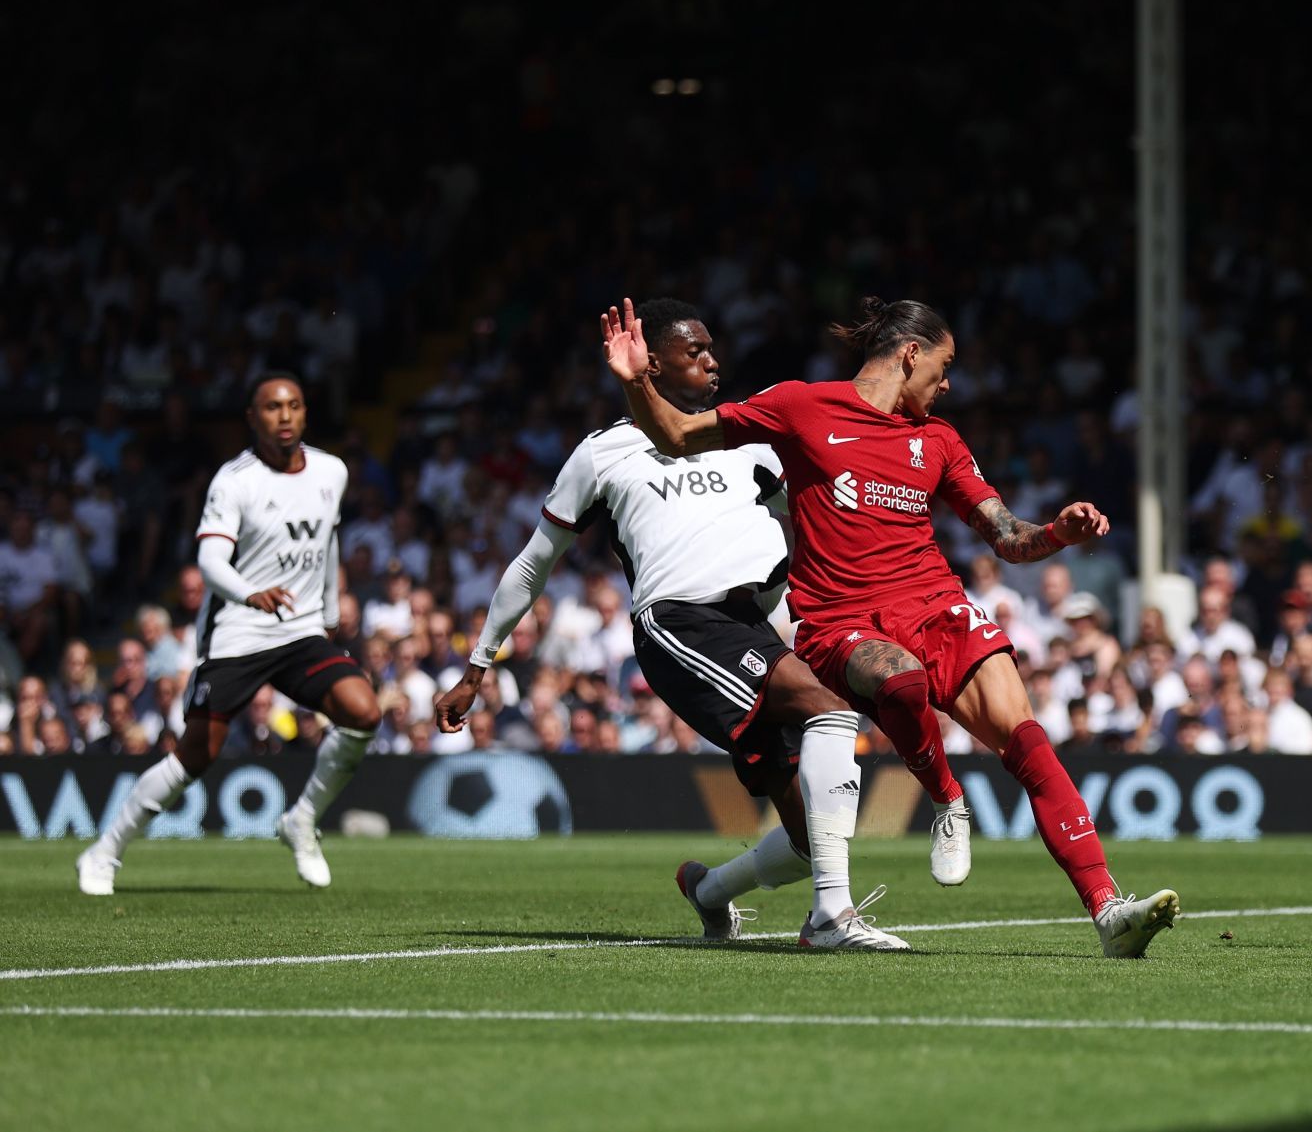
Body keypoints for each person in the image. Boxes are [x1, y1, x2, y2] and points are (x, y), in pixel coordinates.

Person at [605, 294, 1179, 957]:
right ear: (911, 354)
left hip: (933, 601)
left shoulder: (938, 440)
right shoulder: (801, 405)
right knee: (899, 680)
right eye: (944, 364)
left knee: (1027, 740)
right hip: (838, 616)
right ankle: (946, 796)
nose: (949, 381)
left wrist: (1058, 532)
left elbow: (1009, 537)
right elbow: (677, 434)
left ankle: (1109, 911)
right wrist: (637, 380)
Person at [436, 299, 902, 950]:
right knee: (830, 714)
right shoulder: (604, 452)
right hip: (680, 625)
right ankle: (830, 918)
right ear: (651, 363)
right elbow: (533, 563)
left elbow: (782, 556)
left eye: (713, 349)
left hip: (750, 631)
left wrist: (805, 633)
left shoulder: (748, 445)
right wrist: (478, 664)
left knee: (808, 837)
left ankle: (709, 892)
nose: (713, 361)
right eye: (695, 351)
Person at [77, 373, 383, 895]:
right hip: (236, 633)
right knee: (197, 754)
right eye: (271, 407)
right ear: (252, 418)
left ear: (306, 414)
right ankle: (104, 852)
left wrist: (330, 611)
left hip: (302, 629)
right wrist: (249, 594)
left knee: (363, 711)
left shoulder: (332, 471)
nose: (284, 415)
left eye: (293, 405)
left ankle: (301, 820)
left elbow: (327, 544)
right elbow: (210, 561)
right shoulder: (234, 480)